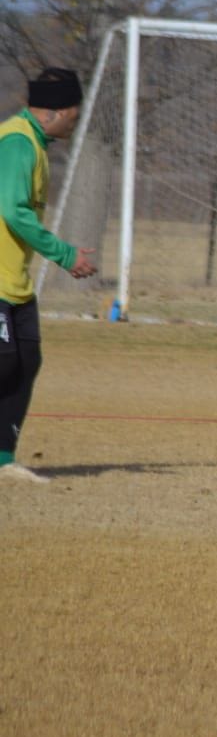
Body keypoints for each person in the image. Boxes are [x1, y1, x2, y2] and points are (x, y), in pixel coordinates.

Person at [0, 68, 98, 482]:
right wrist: (64, 255)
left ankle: (3, 461)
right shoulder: (17, 142)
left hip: (14, 281)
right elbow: (13, 211)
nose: (75, 123)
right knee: (4, 361)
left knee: (25, 362)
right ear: (52, 113)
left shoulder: (34, 142)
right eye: (73, 116)